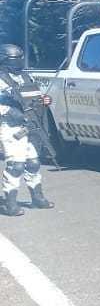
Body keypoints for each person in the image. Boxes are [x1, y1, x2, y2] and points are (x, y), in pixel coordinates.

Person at [0, 44, 53, 216]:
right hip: (11, 126)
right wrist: (13, 113)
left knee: (33, 162)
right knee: (16, 165)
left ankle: (37, 197)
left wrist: (43, 100)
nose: (20, 61)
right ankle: (9, 202)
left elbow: (33, 96)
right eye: (16, 58)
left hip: (30, 124)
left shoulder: (24, 76)